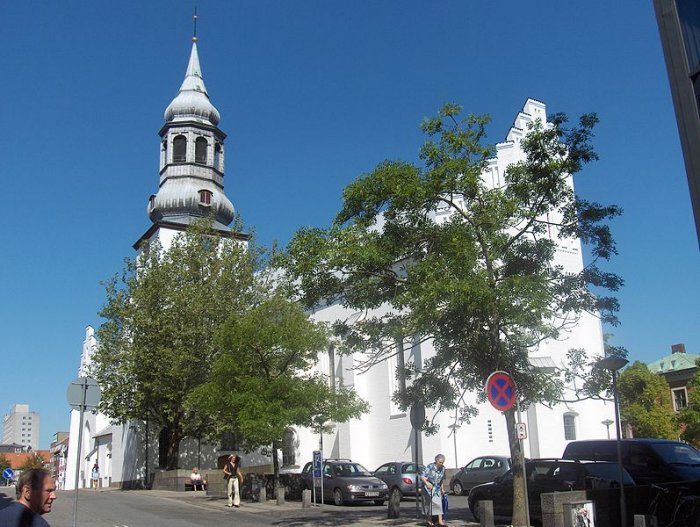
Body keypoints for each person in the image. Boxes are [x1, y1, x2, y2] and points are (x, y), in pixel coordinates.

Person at [420, 454, 446, 527]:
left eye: (443, 462)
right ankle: (429, 521)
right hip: (428, 488)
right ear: (436, 461)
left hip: (436, 488)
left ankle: (440, 521)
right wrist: (427, 483)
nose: (441, 464)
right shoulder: (430, 467)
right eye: (440, 462)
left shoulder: (443, 468)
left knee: (439, 504)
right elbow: (422, 476)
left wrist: (442, 489)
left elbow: (441, 480)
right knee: (430, 504)